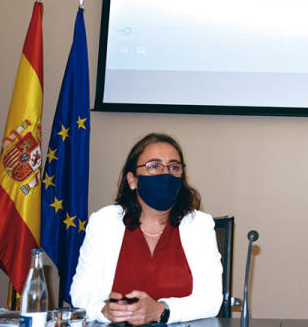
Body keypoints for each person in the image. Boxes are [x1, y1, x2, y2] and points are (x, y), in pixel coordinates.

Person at [71, 133, 223, 324]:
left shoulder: (199, 225)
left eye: (174, 167)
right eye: (154, 166)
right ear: (132, 179)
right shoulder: (104, 222)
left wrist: (161, 310)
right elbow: (81, 293)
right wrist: (103, 311)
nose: (165, 174)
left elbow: (211, 300)